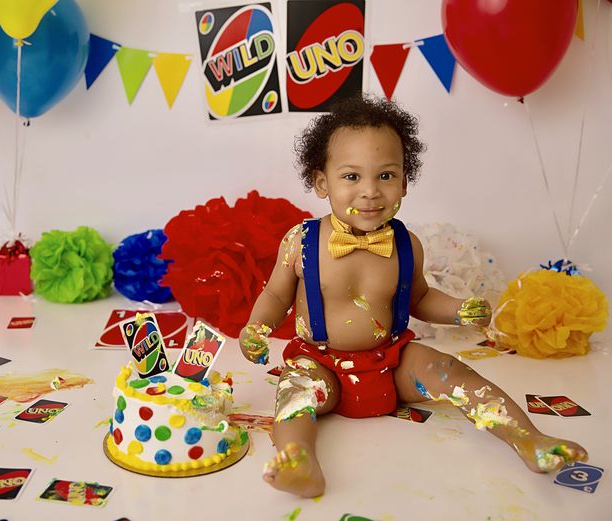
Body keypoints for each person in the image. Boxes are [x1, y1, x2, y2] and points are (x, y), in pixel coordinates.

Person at [238, 95, 587, 498]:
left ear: (404, 181)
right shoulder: (301, 242)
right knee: (294, 394)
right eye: (351, 177)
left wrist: (458, 310)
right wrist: (255, 327)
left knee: (454, 373)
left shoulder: (407, 244)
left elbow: (420, 298)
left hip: (392, 361)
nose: (370, 191)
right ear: (322, 182)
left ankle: (528, 439)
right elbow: (275, 294)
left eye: (385, 176)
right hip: (323, 365)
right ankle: (300, 461)